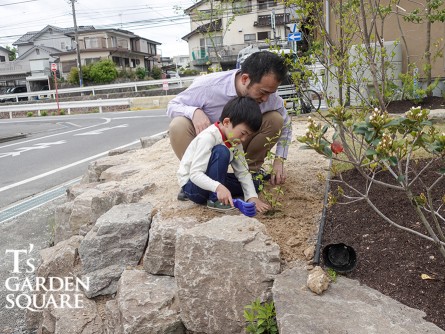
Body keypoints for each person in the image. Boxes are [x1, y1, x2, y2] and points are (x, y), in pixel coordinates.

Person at [167, 51, 291, 188]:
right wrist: (194, 112)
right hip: (207, 145)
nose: (266, 99)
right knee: (178, 124)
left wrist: (279, 160)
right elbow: (172, 105)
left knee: (275, 119)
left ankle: (249, 173)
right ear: (245, 79)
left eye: (270, 93)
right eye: (263, 92)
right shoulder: (208, 86)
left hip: (239, 142)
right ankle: (196, 179)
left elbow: (286, 125)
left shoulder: (269, 97)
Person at [177, 96, 270, 213]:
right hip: (193, 186)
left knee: (255, 183)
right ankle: (215, 200)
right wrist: (218, 187)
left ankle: (219, 191)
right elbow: (195, 174)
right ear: (226, 122)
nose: (244, 139)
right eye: (243, 133)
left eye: (248, 135)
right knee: (222, 151)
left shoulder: (235, 141)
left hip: (212, 178)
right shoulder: (208, 137)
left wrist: (252, 197)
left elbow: (243, 171)